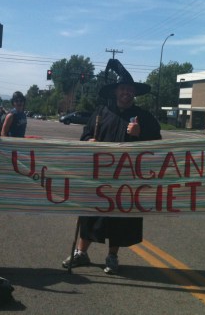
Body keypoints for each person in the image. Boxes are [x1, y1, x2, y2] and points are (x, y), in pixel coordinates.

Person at [62, 59, 161, 274]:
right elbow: (85, 136)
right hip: (99, 177)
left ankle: (112, 256)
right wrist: (88, 141)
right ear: (116, 92)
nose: (126, 93)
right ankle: (81, 253)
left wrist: (140, 134)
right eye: (122, 89)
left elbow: (158, 143)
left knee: (119, 218)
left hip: (126, 180)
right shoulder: (100, 114)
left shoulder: (143, 117)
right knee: (90, 214)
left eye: (130, 90)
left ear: (134, 93)